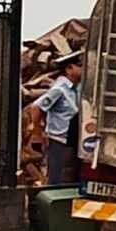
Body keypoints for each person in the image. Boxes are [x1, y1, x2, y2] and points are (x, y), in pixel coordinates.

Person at [35, 56, 85, 188]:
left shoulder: (78, 88)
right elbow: (38, 107)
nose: (83, 68)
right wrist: (39, 131)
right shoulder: (59, 89)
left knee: (71, 178)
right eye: (79, 65)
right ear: (69, 69)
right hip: (58, 140)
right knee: (57, 178)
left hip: (73, 140)